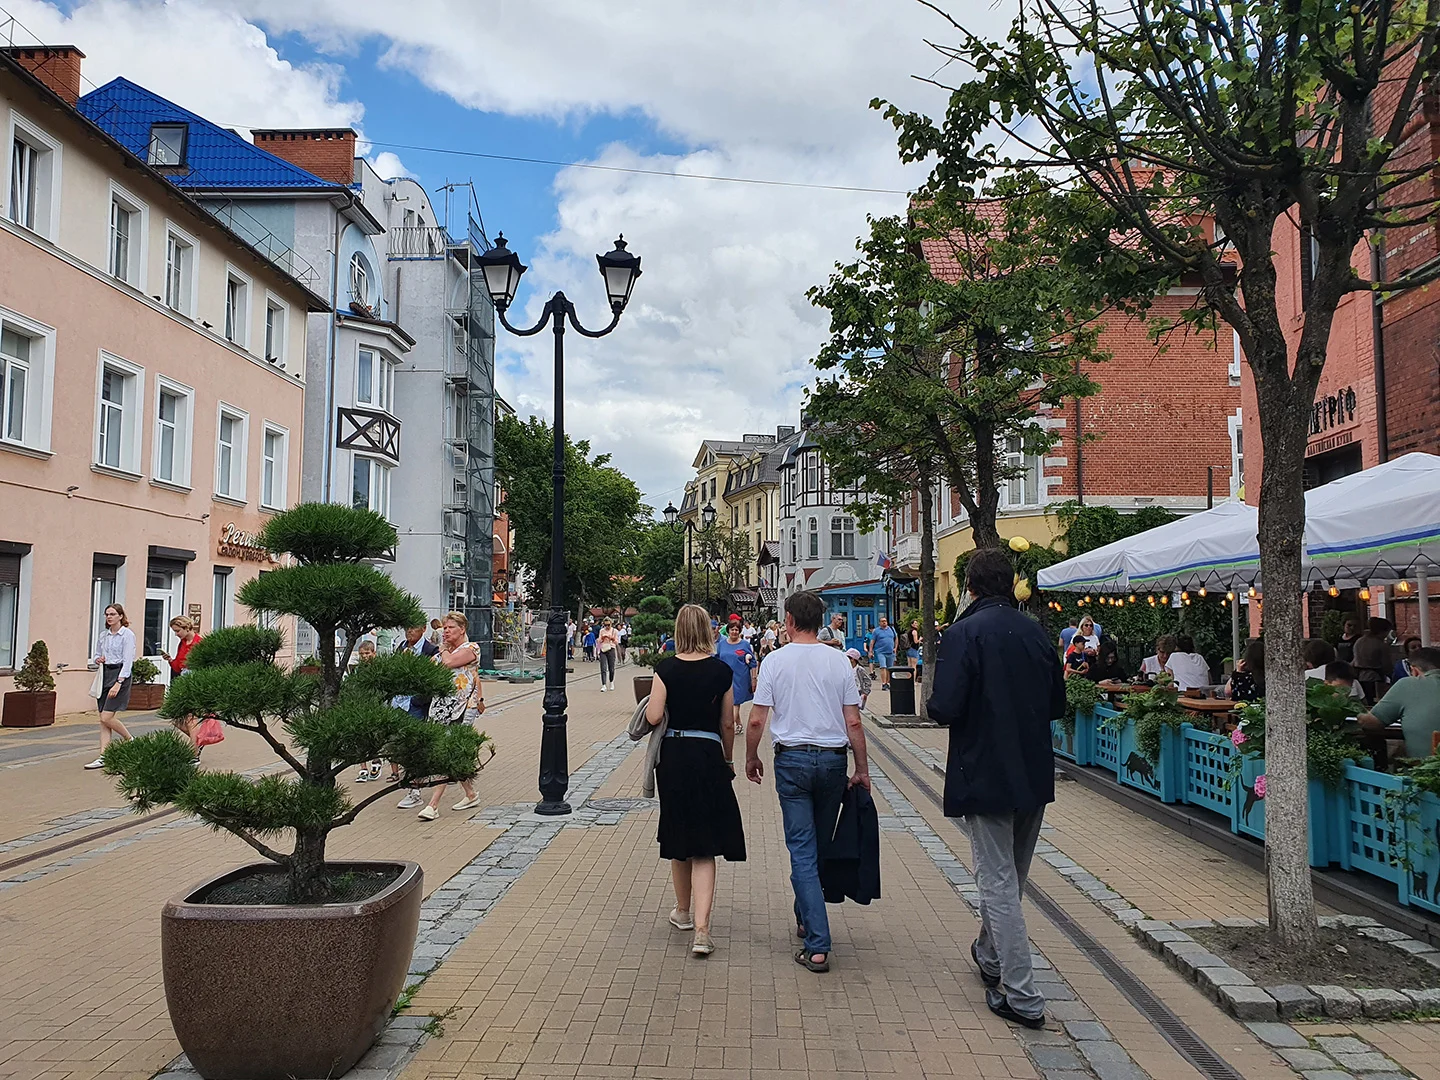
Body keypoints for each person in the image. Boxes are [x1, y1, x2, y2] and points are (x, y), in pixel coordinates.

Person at [927, 548, 1065, 1030]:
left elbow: (943, 707)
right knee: (1013, 878)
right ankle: (989, 954)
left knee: (998, 883)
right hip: (1032, 770)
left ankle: (1023, 996)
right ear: (1010, 584)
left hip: (984, 770)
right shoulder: (1036, 632)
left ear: (971, 586)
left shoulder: (963, 633)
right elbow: (1056, 704)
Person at [745, 590, 869, 974]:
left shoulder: (775, 662)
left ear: (790, 620)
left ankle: (817, 943)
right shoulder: (839, 663)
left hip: (793, 760)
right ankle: (805, 917)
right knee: (818, 842)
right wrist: (862, 769)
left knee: (801, 848)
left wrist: (750, 756)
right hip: (833, 762)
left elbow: (755, 719)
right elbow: (853, 721)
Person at [645, 604, 747, 957]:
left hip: (674, 756)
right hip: (708, 756)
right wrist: (729, 760)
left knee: (679, 833)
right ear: (708, 630)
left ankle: (683, 912)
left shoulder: (666, 669)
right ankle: (703, 931)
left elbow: (655, 714)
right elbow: (726, 723)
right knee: (705, 842)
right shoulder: (721, 671)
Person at [416, 611, 484, 821]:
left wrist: (443, 650)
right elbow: (428, 671)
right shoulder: (440, 654)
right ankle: (471, 794)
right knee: (450, 750)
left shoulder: (471, 648)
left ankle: (433, 805)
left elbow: (449, 664)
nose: (445, 631)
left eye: (450, 627)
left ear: (462, 629)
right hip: (441, 706)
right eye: (444, 627)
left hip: (463, 707)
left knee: (448, 750)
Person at [382, 624, 439, 789]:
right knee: (397, 740)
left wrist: (419, 699)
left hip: (415, 703)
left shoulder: (431, 650)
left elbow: (431, 678)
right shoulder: (402, 646)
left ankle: (417, 778)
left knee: (415, 740)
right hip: (398, 702)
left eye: (413, 628)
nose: (409, 631)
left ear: (423, 629)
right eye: (407, 628)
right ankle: (405, 773)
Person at [1360, 647, 1440, 758]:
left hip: (1424, 770)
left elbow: (1372, 723)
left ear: (1415, 671)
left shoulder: (1408, 685)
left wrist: (1353, 709)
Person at [86, 604, 136, 769]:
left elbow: (128, 661)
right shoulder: (104, 635)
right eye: (107, 614)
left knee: (107, 717)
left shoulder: (127, 635)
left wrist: (119, 682)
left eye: (113, 614)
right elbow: (96, 655)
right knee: (103, 720)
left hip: (120, 674)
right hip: (105, 674)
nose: (109, 617)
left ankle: (130, 740)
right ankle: (104, 755)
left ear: (121, 616)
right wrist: (98, 659)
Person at [160, 616, 203, 752]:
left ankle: (194, 752)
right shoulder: (183, 643)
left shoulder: (199, 643)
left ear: (186, 627)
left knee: (191, 718)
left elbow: (206, 666)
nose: (176, 634)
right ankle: (198, 741)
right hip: (183, 680)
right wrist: (170, 660)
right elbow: (178, 667)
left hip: (195, 680)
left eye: (178, 631)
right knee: (177, 719)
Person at [717, 617, 757, 735]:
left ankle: (729, 725)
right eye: (732, 629)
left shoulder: (744, 644)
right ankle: (739, 724)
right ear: (728, 630)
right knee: (729, 703)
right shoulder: (721, 644)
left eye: (736, 630)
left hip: (740, 679)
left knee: (735, 704)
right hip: (725, 678)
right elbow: (718, 659)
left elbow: (753, 662)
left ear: (739, 631)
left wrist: (754, 679)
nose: (734, 632)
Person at [1353, 618, 1393, 705]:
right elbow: (1387, 666)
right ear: (1382, 631)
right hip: (1375, 678)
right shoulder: (1381, 645)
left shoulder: (1359, 641)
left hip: (1359, 676)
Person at [870, 616, 897, 688]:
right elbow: (872, 641)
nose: (884, 622)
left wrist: (895, 648)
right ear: (879, 623)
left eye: (885, 621)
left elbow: (896, 638)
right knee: (883, 667)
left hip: (890, 652)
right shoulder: (876, 631)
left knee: (889, 668)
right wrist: (870, 651)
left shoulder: (891, 629)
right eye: (882, 621)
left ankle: (888, 683)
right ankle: (884, 683)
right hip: (880, 651)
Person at [597, 617, 620, 691]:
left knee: (611, 668)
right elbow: (599, 641)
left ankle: (611, 682)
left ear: (611, 624)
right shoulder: (602, 631)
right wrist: (602, 638)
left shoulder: (614, 631)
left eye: (608, 625)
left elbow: (616, 642)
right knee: (603, 668)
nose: (606, 626)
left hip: (611, 648)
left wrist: (611, 638)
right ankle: (603, 685)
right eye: (605, 625)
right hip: (603, 649)